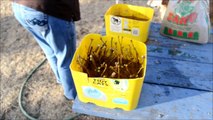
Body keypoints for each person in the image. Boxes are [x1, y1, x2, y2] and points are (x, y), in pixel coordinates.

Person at [11, 0, 81, 100]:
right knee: (66, 57)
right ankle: (72, 94)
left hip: (20, 6)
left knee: (50, 50)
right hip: (47, 9)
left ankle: (62, 80)